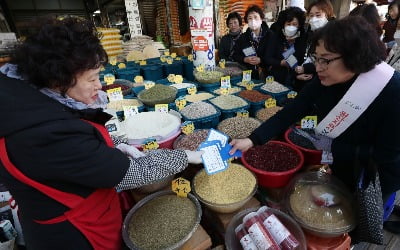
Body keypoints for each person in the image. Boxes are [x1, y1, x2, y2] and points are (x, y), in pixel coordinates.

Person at [0, 17, 202, 249]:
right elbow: (130, 173)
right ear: (58, 79)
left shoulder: (28, 97)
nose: (100, 86)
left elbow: (77, 128)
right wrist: (184, 156)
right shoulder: (45, 135)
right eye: (92, 78)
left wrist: (114, 142)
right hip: (72, 234)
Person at [230, 16, 400, 226]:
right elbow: (293, 110)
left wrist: (334, 150)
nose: (317, 67)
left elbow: (387, 154)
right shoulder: (325, 79)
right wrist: (253, 139)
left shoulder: (391, 91)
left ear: (353, 56)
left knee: (363, 222)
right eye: (315, 58)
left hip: (376, 175)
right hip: (343, 162)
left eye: (325, 60)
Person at [264, 7, 307, 88]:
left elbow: (302, 60)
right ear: (283, 24)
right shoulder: (275, 37)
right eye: (288, 24)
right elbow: (267, 58)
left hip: (296, 80)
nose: (291, 27)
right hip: (277, 79)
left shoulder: (302, 39)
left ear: (299, 25)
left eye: (294, 24)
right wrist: (280, 63)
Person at [295, 0, 335, 85]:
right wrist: (296, 73)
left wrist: (305, 69)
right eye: (311, 15)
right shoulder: (308, 35)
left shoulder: (333, 37)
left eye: (318, 15)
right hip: (302, 81)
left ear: (327, 15)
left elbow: (328, 61)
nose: (314, 19)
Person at [233, 5, 275, 80]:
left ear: (261, 19)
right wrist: (244, 59)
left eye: (255, 17)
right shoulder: (243, 38)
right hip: (249, 76)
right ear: (247, 21)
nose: (253, 21)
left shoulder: (271, 36)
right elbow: (235, 55)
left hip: (268, 75)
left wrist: (261, 60)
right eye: (250, 18)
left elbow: (275, 56)